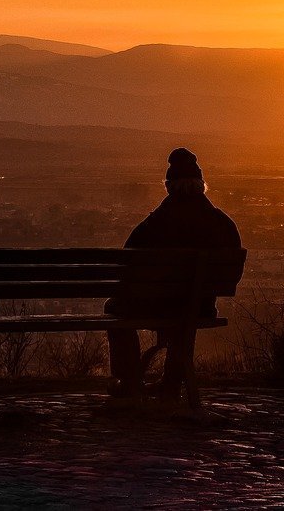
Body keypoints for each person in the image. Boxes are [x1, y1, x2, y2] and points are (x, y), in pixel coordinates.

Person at [106, 147, 241, 397]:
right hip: (199, 306)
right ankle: (171, 383)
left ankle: (129, 381)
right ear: (201, 185)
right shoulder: (222, 224)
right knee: (185, 312)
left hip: (157, 305)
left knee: (113, 308)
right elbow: (232, 276)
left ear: (168, 186)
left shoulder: (155, 225)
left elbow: (127, 262)